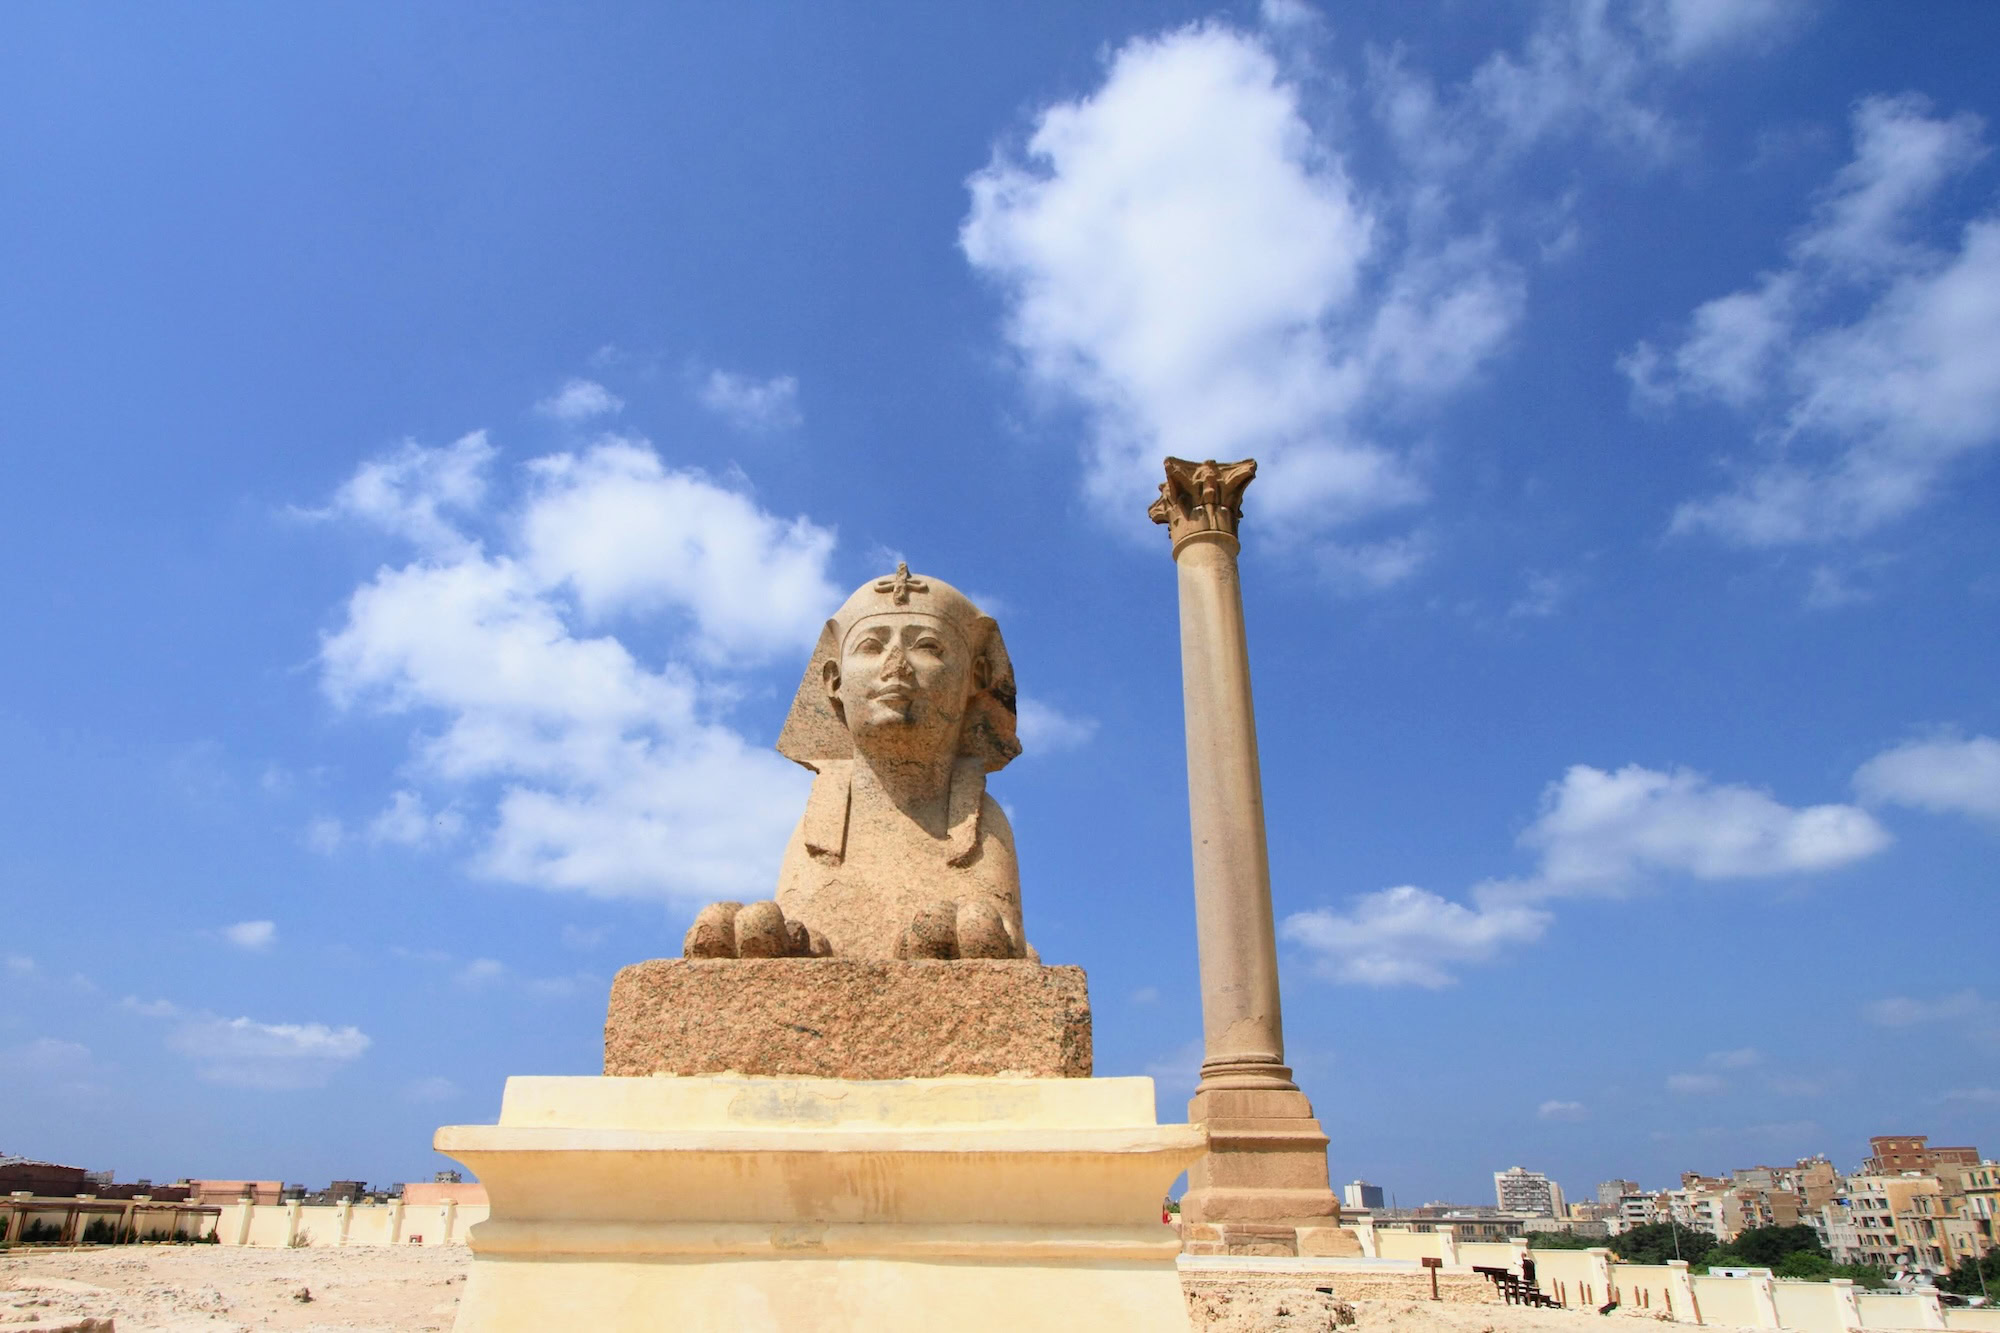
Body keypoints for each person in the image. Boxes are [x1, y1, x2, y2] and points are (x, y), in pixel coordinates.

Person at [684, 565, 1028, 960]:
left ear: (975, 676)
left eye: (927, 646)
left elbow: (1000, 939)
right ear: (834, 680)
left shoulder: (986, 828)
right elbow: (803, 936)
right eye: (871, 646)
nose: (895, 666)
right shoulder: (813, 833)